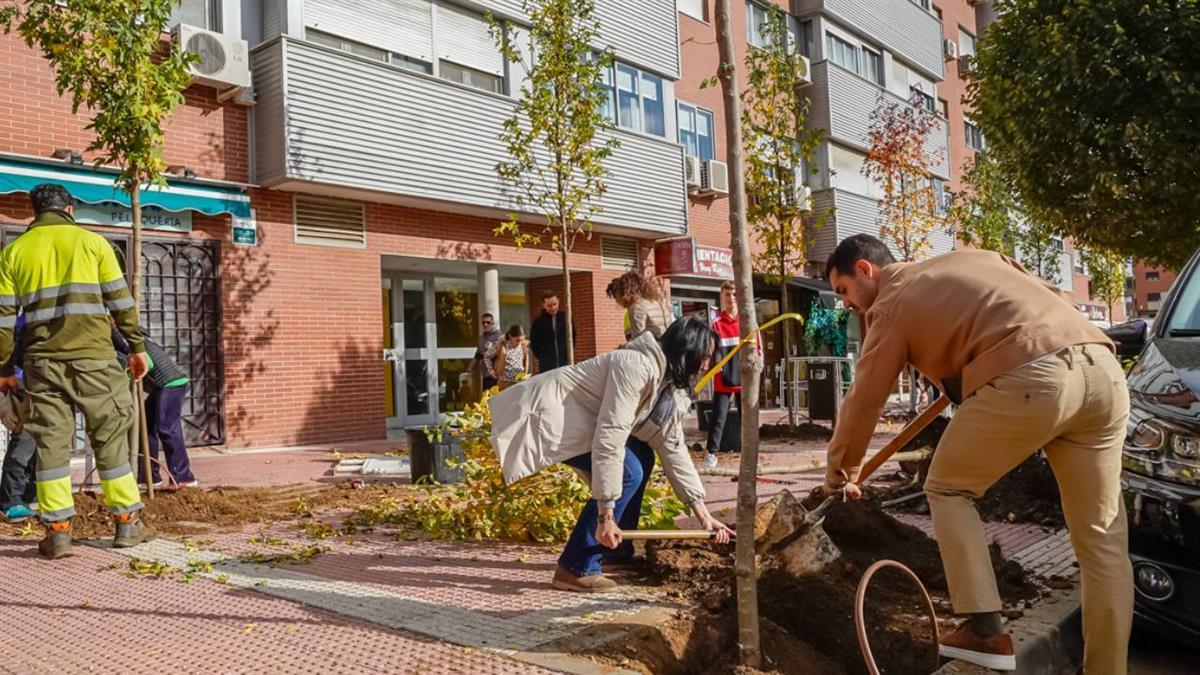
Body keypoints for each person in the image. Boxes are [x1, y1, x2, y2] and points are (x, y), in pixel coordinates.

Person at [821, 234, 1131, 673]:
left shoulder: (890, 304)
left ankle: (986, 632)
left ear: (866, 271)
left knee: (947, 487)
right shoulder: (977, 258)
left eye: (844, 291)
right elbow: (1031, 303)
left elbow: (865, 399)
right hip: (1102, 370)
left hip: (1036, 376)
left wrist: (840, 472)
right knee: (1102, 541)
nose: (848, 305)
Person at [490, 317, 733, 592]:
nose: (705, 365)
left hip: (582, 424)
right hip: (548, 418)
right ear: (686, 350)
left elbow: (672, 446)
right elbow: (610, 436)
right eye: (703, 356)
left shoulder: (665, 383)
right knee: (629, 471)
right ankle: (575, 566)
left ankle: (614, 552)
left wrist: (702, 512)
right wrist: (606, 515)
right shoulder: (635, 367)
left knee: (643, 456)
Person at [0, 183, 153, 559]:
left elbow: (3, 320)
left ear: (34, 212)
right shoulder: (95, 244)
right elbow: (121, 304)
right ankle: (127, 525)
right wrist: (137, 348)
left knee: (51, 445)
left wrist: (4, 368)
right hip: (95, 361)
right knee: (110, 438)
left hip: (41, 364)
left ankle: (58, 533)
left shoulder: (13, 252)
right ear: (70, 208)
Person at [112, 325, 197, 489]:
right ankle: (149, 478)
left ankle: (184, 477)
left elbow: (147, 363)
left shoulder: (128, 340)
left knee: (167, 428)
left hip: (172, 384)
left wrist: (129, 374)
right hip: (160, 387)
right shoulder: (133, 335)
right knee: (146, 429)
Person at [1, 314, 37, 522]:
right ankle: (11, 501)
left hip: (33, 382)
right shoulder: (27, 318)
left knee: (38, 441)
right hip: (20, 382)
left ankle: (26, 496)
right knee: (25, 437)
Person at [706, 281, 742, 468]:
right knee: (718, 417)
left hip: (744, 377)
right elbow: (710, 351)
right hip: (723, 378)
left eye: (734, 294)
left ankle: (751, 455)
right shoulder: (716, 324)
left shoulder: (746, 320)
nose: (731, 299)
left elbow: (758, 348)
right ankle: (711, 454)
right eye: (727, 295)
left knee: (748, 419)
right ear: (722, 297)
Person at [606, 271, 671, 341]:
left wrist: (624, 347)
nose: (616, 301)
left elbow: (638, 340)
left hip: (653, 348)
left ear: (625, 291)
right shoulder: (657, 302)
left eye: (616, 295)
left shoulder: (637, 307)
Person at [529, 291, 572, 372]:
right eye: (549, 306)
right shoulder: (538, 322)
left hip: (564, 361)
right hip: (547, 364)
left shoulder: (565, 318)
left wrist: (566, 351)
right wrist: (543, 356)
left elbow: (572, 336)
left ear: (558, 302)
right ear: (544, 305)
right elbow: (534, 342)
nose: (553, 308)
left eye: (555, 304)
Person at [471, 313, 503, 390]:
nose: (485, 324)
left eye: (488, 322)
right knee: (486, 398)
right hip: (486, 374)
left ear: (492, 323)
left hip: (497, 373)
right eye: (483, 322)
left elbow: (503, 353)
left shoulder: (499, 336)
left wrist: (493, 347)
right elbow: (478, 355)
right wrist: (471, 368)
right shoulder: (481, 339)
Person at [494, 325, 529, 390]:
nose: (519, 343)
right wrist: (491, 371)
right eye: (517, 340)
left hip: (519, 381)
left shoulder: (523, 346)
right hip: (506, 382)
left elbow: (525, 363)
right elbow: (487, 356)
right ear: (510, 336)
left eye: (521, 340)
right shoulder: (504, 346)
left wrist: (525, 374)